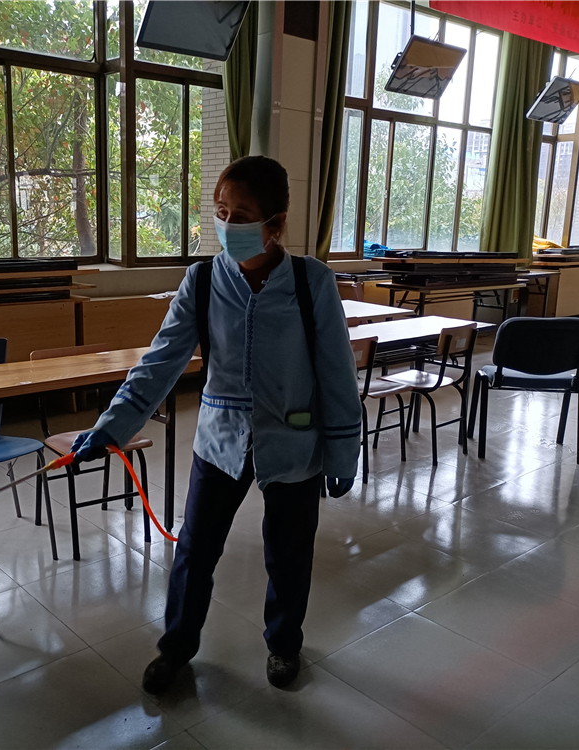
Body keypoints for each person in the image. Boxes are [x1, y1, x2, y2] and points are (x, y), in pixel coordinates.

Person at [71, 155, 361, 693]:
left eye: (241, 216)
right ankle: (176, 647)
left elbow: (337, 373)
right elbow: (160, 362)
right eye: (221, 212)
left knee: (289, 556)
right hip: (220, 441)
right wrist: (111, 427)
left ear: (276, 224)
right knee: (194, 551)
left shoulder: (311, 282)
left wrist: (343, 451)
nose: (227, 225)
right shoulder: (202, 281)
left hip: (293, 443)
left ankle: (284, 645)